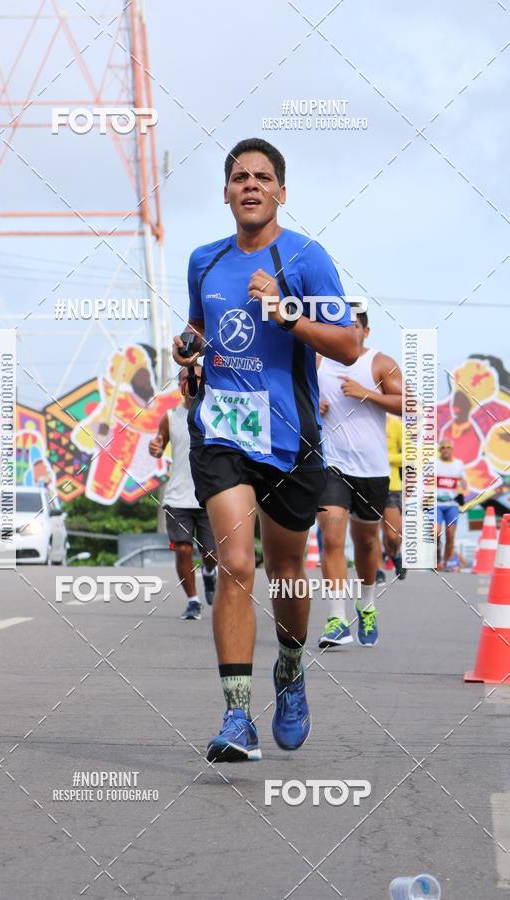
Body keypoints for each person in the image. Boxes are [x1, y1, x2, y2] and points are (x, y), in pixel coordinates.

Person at [173, 137, 358, 763]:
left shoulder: (306, 258)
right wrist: (188, 348)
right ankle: (236, 717)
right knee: (235, 564)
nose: (250, 184)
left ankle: (290, 669)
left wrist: (286, 316)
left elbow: (348, 345)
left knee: (285, 571)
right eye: (239, 177)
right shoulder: (204, 261)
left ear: (281, 191)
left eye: (262, 176)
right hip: (223, 430)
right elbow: (200, 326)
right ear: (225, 193)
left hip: (290, 437)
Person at [316, 311, 402, 649]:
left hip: (372, 471)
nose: (348, 330)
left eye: (354, 325)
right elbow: (290, 396)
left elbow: (409, 404)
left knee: (366, 544)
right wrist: (311, 405)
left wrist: (367, 393)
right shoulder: (318, 361)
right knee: (332, 538)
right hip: (331, 466)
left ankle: (366, 605)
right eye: (342, 325)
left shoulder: (380, 363)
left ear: (365, 330)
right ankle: (337, 619)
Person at [149, 366, 217, 619]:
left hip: (209, 495)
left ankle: (209, 572)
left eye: (196, 378)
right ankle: (193, 601)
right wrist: (155, 448)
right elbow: (158, 444)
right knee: (183, 549)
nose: (191, 382)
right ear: (180, 385)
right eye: (186, 379)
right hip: (178, 497)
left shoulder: (216, 413)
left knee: (211, 554)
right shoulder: (170, 417)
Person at [376, 415, 406, 583]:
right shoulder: (362, 421)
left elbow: (410, 455)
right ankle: (377, 570)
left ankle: (395, 555)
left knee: (392, 535)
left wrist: (388, 458)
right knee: (370, 532)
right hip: (365, 484)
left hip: (391, 486)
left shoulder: (395, 425)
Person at [436, 440, 467, 570]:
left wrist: (463, 484)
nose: (445, 449)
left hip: (452, 505)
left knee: (450, 534)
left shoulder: (458, 464)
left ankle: (448, 561)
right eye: (443, 447)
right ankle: (437, 557)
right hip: (436, 504)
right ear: (439, 450)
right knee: (435, 532)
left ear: (452, 449)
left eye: (448, 447)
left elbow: (464, 484)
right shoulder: (434, 463)